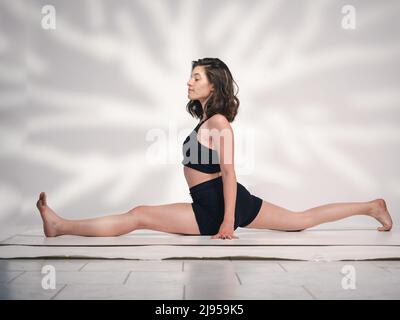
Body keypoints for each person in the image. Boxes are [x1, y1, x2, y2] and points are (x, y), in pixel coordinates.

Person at [36, 57, 393, 240]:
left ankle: (61, 226)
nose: (189, 82)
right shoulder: (205, 121)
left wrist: (227, 222)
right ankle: (370, 206)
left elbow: (230, 173)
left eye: (196, 78)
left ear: (213, 85)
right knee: (299, 221)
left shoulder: (220, 123)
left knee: (140, 214)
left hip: (218, 206)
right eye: (190, 76)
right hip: (213, 201)